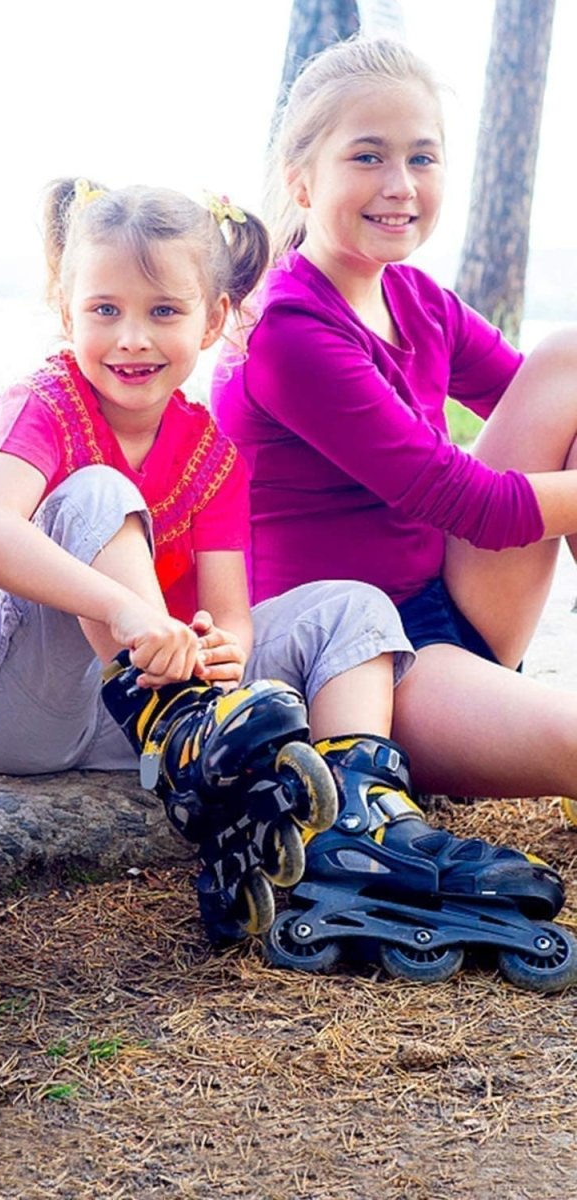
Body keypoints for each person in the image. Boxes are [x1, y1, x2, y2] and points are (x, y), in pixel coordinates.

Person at [0, 178, 418, 944]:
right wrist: (127, 610)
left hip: (134, 720)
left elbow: (228, 612)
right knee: (96, 493)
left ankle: (351, 830)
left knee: (354, 608)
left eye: (163, 312)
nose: (132, 338)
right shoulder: (45, 403)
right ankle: (186, 729)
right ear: (66, 310)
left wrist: (229, 649)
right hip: (11, 699)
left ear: (215, 317)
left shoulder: (213, 453)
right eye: (105, 311)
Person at [211, 38, 573, 989]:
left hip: (450, 599)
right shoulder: (289, 331)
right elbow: (468, 501)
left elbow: (527, 407)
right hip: (363, 659)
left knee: (570, 362)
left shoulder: (414, 298)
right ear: (300, 177)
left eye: (421, 156)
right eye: (366, 156)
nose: (399, 183)